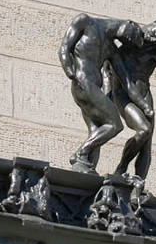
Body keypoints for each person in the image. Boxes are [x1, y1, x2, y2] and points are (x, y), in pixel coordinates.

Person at [59, 14, 144, 172]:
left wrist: (143, 105)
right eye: (134, 35)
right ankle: (80, 154)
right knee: (114, 125)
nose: (130, 40)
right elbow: (64, 47)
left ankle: (86, 168)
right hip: (83, 83)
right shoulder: (85, 21)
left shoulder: (111, 49)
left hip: (91, 87)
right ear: (130, 22)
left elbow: (126, 82)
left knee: (97, 130)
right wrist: (69, 71)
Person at [108, 19, 156, 182]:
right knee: (143, 130)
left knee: (146, 144)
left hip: (144, 93)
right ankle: (122, 167)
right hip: (123, 92)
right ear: (153, 31)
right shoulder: (130, 34)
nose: (155, 43)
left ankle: (139, 182)